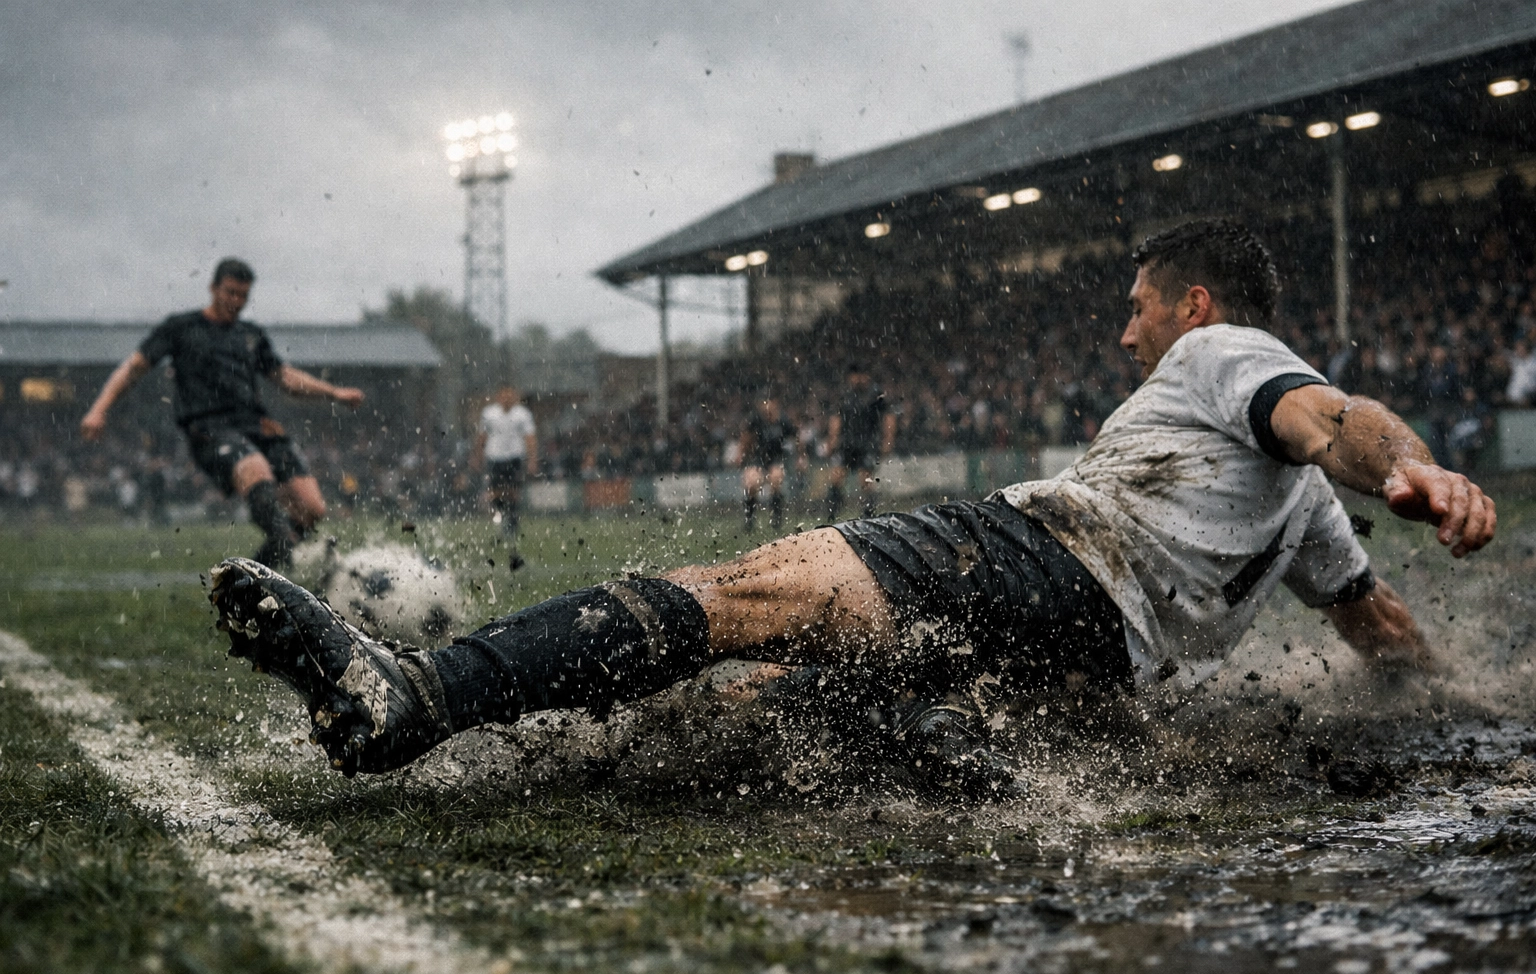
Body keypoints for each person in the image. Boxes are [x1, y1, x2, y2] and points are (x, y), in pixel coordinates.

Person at [207, 219, 1494, 783]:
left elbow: (1334, 420)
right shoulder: (1306, 515)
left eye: (1140, 307)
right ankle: (929, 745)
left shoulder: (1224, 358)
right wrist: (1461, 695)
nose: (1127, 332)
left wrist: (1412, 467)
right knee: (769, 711)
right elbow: (1379, 626)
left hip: (1033, 558)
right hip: (1093, 667)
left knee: (742, 595)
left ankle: (414, 701)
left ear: (1197, 308)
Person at [82, 258, 363, 567]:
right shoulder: (182, 328)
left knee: (312, 509)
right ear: (213, 288)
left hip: (257, 425)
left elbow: (284, 377)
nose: (236, 301)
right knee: (255, 469)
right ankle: (286, 546)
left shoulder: (250, 335)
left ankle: (264, 573)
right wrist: (99, 408)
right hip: (209, 427)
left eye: (243, 295)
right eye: (230, 293)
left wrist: (333, 393)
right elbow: (135, 366)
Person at [471, 385, 537, 569]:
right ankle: (503, 519)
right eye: (504, 394)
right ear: (498, 396)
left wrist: (532, 459)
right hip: (495, 458)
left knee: (514, 493)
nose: (507, 397)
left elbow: (530, 437)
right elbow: (482, 436)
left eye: (510, 394)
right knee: (496, 493)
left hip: (514, 458)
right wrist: (476, 456)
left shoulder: (522, 415)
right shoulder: (489, 413)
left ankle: (511, 523)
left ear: (515, 396)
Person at [824, 365, 897, 520]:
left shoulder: (876, 395)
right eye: (855, 375)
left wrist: (888, 440)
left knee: (865, 479)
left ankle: (869, 515)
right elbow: (836, 418)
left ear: (867, 376)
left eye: (861, 375)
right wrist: (832, 440)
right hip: (846, 443)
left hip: (868, 443)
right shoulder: (845, 395)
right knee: (837, 476)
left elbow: (889, 418)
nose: (858, 379)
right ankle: (832, 513)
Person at [739, 395, 796, 532]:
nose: (766, 406)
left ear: (775, 403)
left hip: (777, 458)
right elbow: (745, 439)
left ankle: (776, 518)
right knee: (752, 483)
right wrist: (741, 456)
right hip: (758, 458)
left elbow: (795, 438)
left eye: (769, 402)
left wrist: (800, 457)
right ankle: (749, 519)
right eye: (764, 403)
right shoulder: (755, 420)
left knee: (776, 478)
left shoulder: (783, 420)